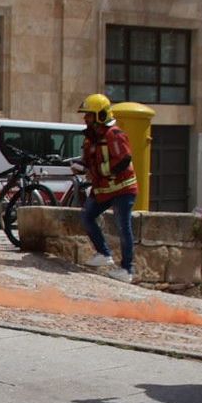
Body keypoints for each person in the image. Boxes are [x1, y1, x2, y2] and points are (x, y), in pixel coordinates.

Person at [72, 93, 138, 282]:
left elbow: (123, 160)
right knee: (87, 216)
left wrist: (98, 171)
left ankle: (127, 270)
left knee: (123, 227)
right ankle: (104, 254)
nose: (85, 119)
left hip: (123, 189)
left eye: (89, 115)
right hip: (104, 189)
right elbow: (89, 161)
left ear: (100, 115)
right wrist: (81, 167)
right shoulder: (90, 139)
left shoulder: (114, 135)